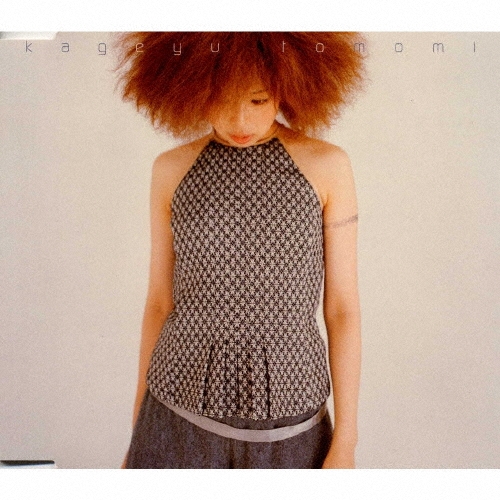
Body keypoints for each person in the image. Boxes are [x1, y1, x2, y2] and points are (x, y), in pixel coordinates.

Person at [113, 32, 365, 469]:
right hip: (173, 418)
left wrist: (346, 441)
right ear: (192, 90)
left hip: (292, 428)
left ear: (286, 87)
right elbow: (159, 304)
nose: (239, 120)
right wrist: (138, 427)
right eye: (220, 99)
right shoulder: (171, 170)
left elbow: (342, 309)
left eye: (257, 100)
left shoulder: (327, 166)